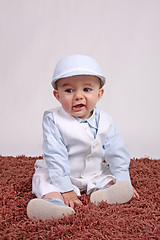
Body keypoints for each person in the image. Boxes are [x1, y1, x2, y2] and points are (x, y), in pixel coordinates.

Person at [27, 54, 139, 221]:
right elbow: (55, 154)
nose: (78, 96)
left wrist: (123, 179)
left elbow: (117, 152)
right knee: (45, 182)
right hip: (61, 172)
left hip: (93, 172)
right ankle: (53, 204)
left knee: (108, 179)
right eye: (69, 90)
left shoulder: (106, 121)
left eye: (87, 89)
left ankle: (103, 194)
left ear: (99, 94)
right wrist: (65, 188)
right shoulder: (53, 119)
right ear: (57, 95)